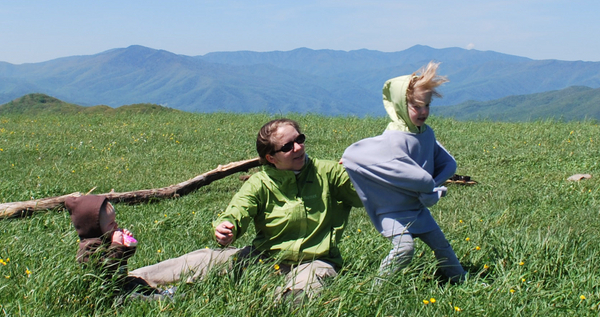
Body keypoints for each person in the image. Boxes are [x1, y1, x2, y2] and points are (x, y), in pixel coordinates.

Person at [123, 118, 363, 303]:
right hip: (265, 258)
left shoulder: (328, 172)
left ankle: (274, 309)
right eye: (288, 146)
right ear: (271, 158)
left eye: (300, 139)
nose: (298, 148)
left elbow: (364, 197)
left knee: (305, 287)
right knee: (204, 259)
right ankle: (129, 282)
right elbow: (239, 209)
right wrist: (227, 227)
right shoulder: (260, 183)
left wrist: (359, 174)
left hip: (316, 261)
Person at [341, 62, 466, 283]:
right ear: (400, 104)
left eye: (427, 105)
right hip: (392, 211)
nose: (424, 112)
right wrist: (427, 184)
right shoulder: (394, 137)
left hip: (416, 208)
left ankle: (460, 279)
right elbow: (366, 156)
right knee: (404, 249)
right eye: (417, 106)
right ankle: (376, 289)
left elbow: (444, 161)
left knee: (441, 245)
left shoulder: (426, 133)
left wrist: (432, 185)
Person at [64, 194, 138, 273]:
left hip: (124, 281)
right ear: (96, 227)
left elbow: (123, 256)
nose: (116, 225)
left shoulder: (106, 238)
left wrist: (128, 245)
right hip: (111, 285)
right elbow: (107, 266)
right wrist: (117, 244)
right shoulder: (88, 250)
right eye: (111, 223)